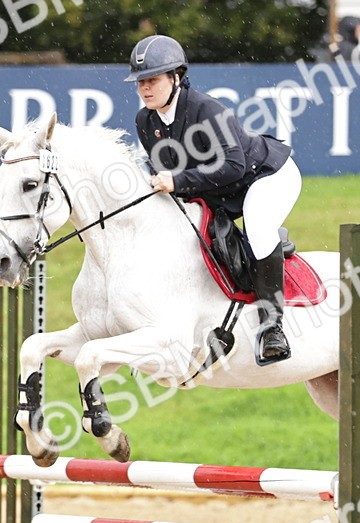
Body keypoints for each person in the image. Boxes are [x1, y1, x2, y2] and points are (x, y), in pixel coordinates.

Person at [127, 34, 301, 365]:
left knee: (259, 228)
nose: (144, 88)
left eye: (152, 80)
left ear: (176, 77)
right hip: (221, 190)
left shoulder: (205, 110)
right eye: (139, 82)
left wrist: (177, 181)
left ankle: (272, 328)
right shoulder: (145, 121)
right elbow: (165, 172)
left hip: (265, 176)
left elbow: (233, 166)